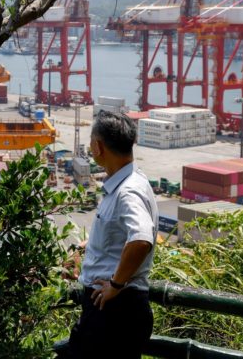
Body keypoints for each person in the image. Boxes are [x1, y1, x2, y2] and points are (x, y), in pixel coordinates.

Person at [62, 110, 159, 358]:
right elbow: (119, 237)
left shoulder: (127, 192)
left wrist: (115, 285)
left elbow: (141, 239)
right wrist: (84, 248)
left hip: (114, 313)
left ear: (98, 146)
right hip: (113, 312)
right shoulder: (133, 180)